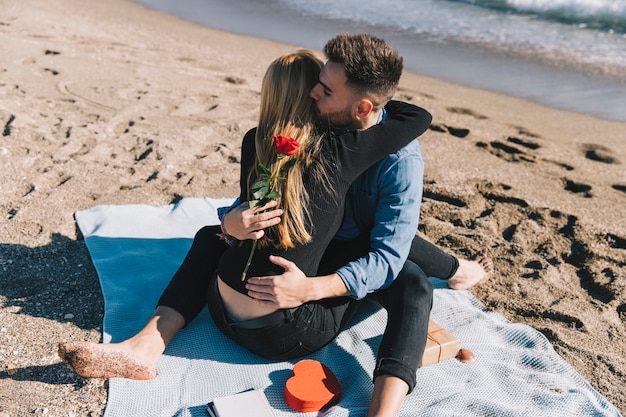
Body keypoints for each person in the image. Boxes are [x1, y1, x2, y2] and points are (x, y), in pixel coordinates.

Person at [59, 39, 434, 416]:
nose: (314, 92)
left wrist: (308, 287)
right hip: (284, 329)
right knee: (413, 282)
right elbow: (418, 116)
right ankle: (144, 346)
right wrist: (232, 222)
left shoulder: (268, 142)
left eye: (326, 89)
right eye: (315, 83)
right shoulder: (341, 150)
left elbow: (388, 251)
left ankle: (148, 343)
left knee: (214, 236)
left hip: (220, 302)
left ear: (362, 107)